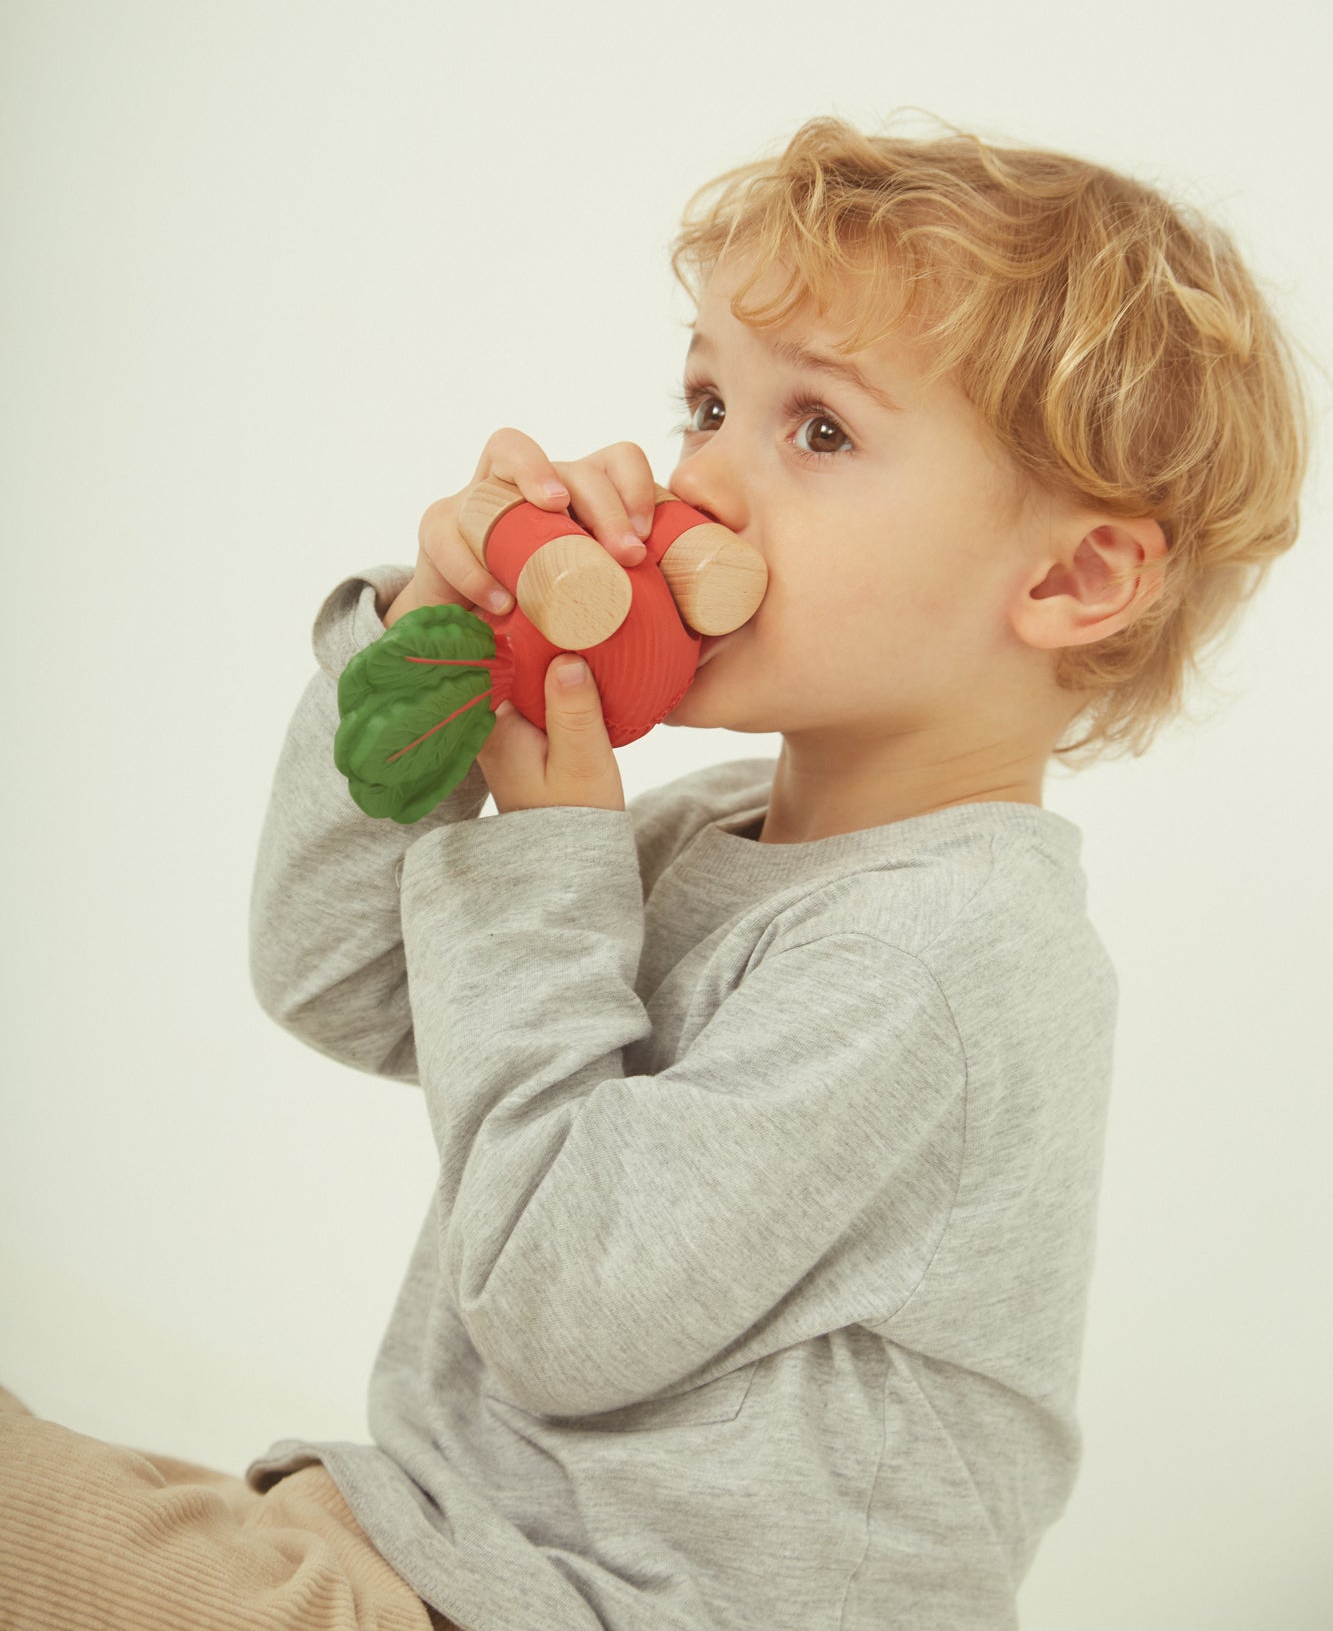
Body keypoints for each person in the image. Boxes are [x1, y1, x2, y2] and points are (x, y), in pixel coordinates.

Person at [0, 114, 1314, 1631]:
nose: (700, 483)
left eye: (813, 429)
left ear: (1069, 579)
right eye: (703, 402)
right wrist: (426, 663)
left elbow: (566, 1309)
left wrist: (553, 854)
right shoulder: (710, 832)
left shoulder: (948, 953)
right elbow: (338, 981)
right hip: (445, 1550)